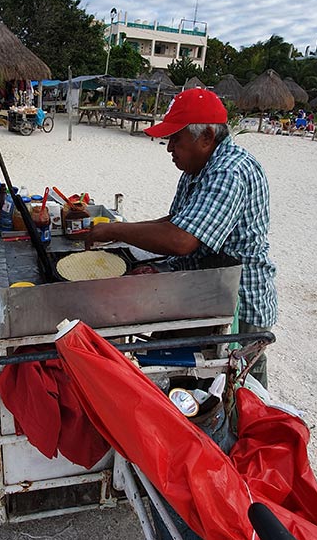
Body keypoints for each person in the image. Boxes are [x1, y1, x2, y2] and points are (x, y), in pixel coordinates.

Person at [86, 88, 278, 387]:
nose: (168, 147)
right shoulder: (196, 167)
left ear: (207, 137)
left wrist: (115, 230)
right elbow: (175, 221)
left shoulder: (229, 171)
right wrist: (126, 232)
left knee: (242, 390)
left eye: (175, 138)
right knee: (184, 366)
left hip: (239, 302)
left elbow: (181, 240)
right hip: (205, 288)